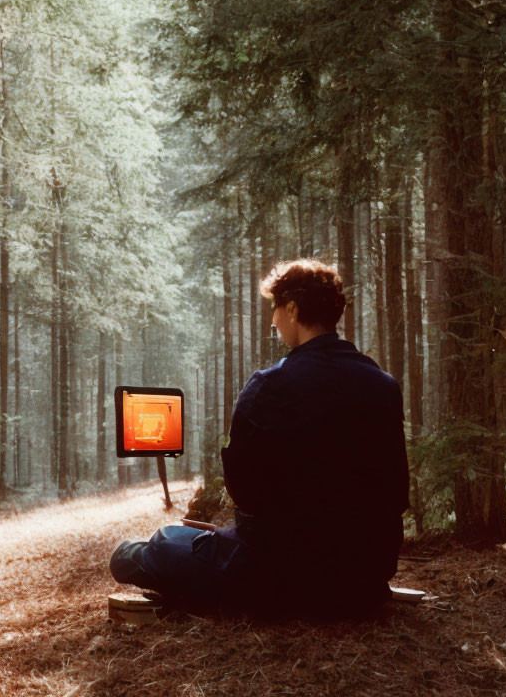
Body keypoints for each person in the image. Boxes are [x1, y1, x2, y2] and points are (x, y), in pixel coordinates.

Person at [109, 259, 409, 617]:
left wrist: (240, 534)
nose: (272, 320)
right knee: (193, 543)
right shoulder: (384, 386)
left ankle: (142, 554)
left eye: (275, 308)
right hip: (362, 582)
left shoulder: (269, 385)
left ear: (293, 309)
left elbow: (244, 491)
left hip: (280, 578)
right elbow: (395, 491)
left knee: (153, 547)